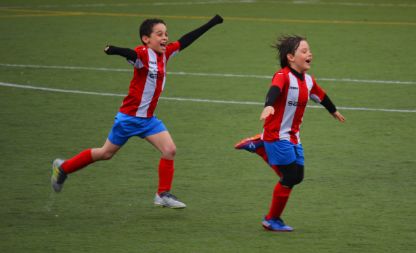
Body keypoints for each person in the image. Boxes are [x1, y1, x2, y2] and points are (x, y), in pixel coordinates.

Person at [51, 15, 224, 209]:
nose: (165, 38)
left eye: (166, 34)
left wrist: (211, 23)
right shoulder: (142, 54)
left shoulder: (165, 54)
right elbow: (131, 55)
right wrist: (115, 50)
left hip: (148, 120)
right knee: (106, 153)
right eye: (159, 34)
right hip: (128, 119)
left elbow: (186, 40)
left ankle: (162, 194)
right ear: (146, 39)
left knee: (170, 150)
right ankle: (63, 168)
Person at [235, 35, 345, 231]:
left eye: (309, 50)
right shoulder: (283, 76)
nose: (309, 54)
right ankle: (271, 219)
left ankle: (260, 147)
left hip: (294, 136)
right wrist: (268, 106)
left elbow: (321, 95)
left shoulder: (309, 81)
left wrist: (333, 110)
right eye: (304, 51)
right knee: (290, 176)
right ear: (290, 57)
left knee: (297, 176)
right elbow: (274, 91)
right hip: (276, 134)